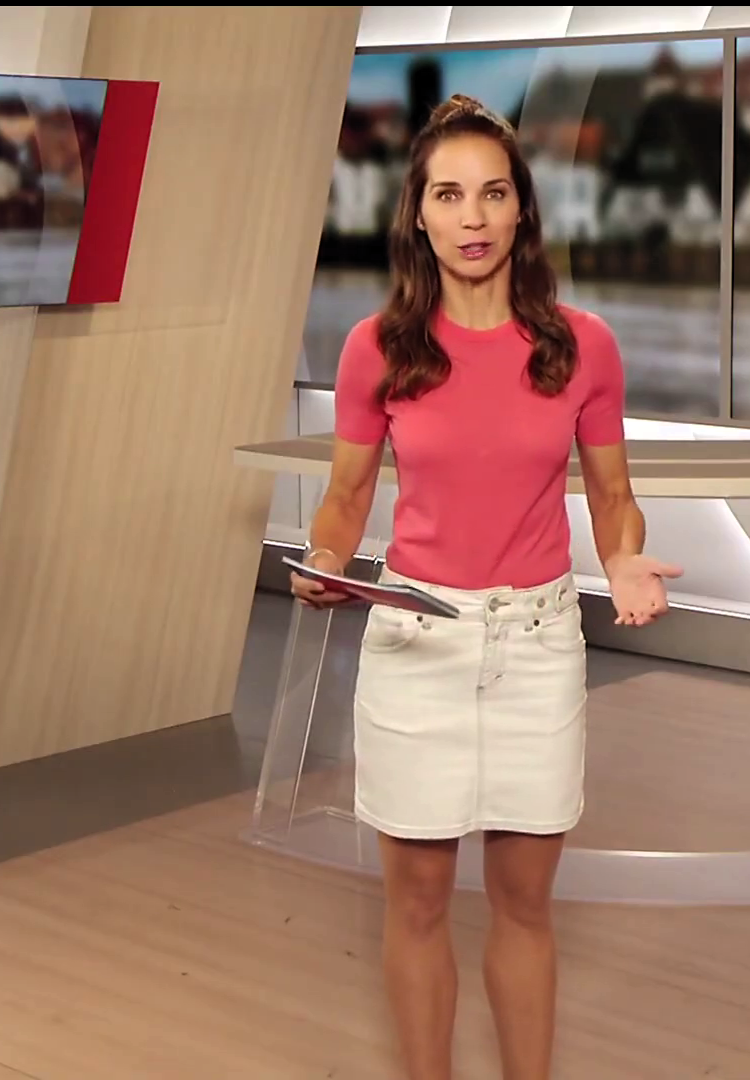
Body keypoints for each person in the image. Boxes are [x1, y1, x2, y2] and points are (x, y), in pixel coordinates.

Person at [290, 94, 682, 1080]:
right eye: (450, 195)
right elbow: (345, 498)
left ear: (521, 211)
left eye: (493, 194)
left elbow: (614, 498)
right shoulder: (376, 348)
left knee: (524, 905)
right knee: (418, 904)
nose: (473, 217)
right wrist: (327, 562)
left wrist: (624, 558)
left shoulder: (583, 346)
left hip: (537, 647)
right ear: (418, 214)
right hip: (415, 643)